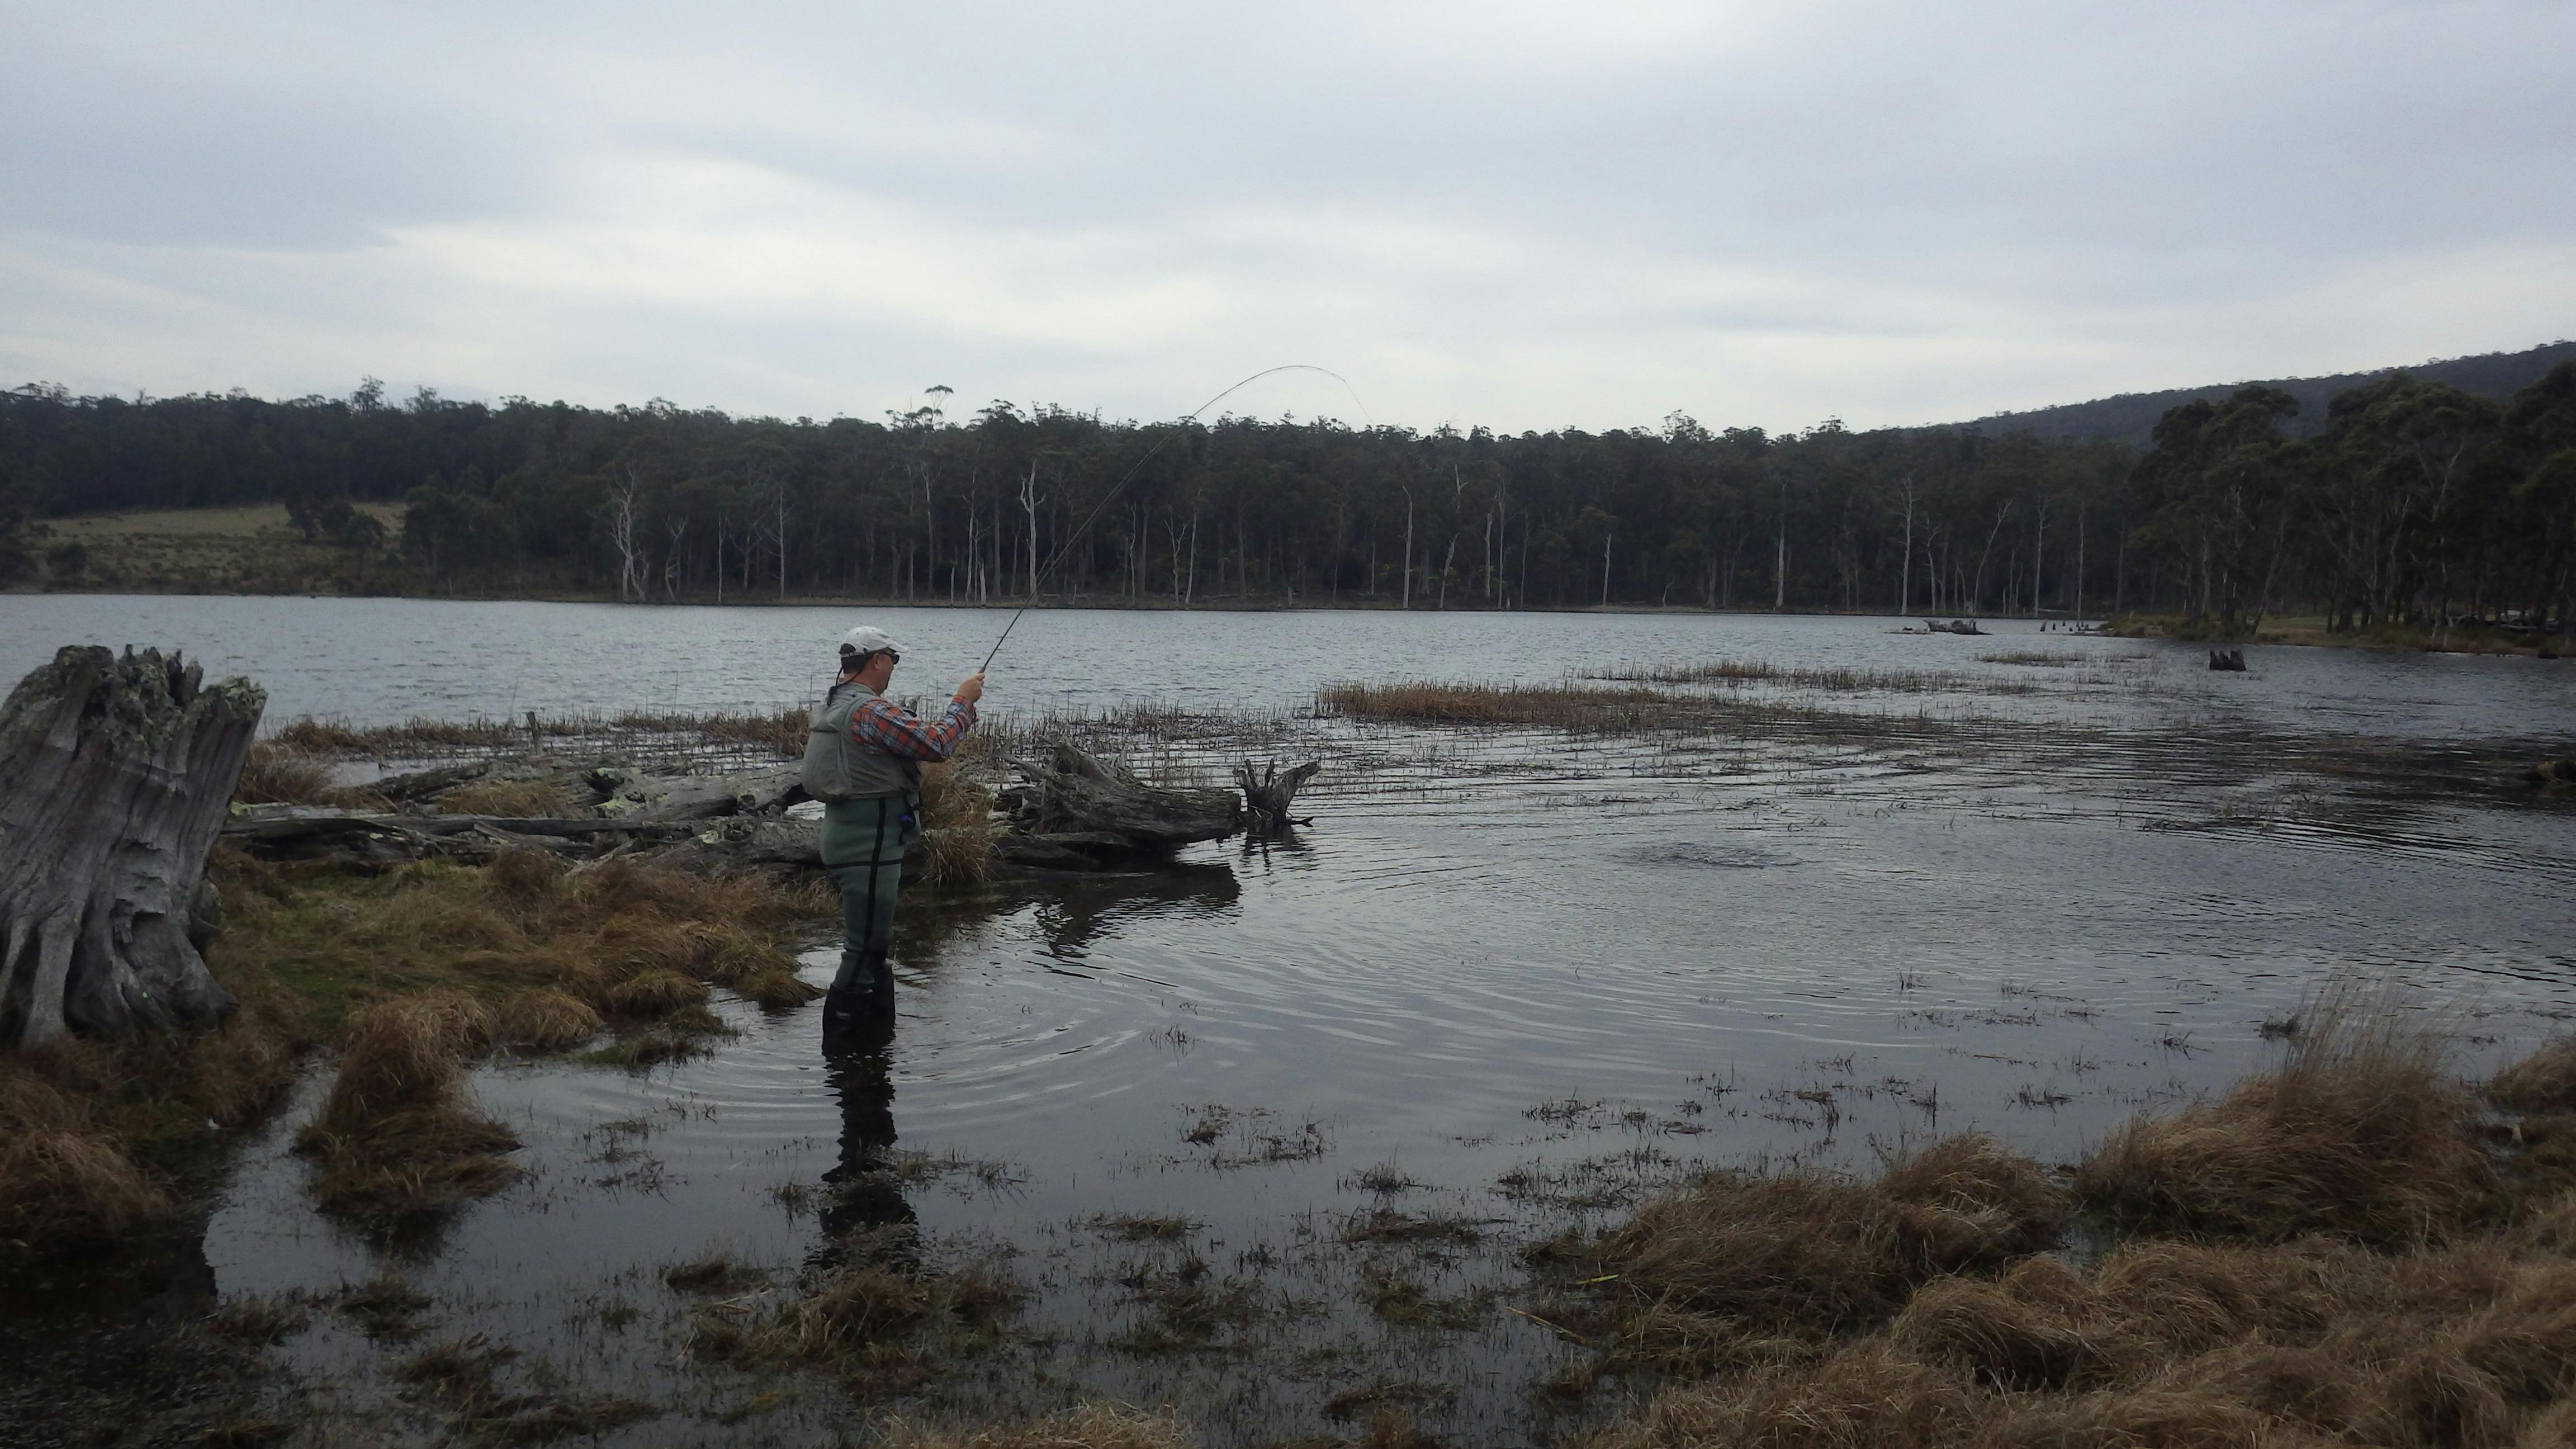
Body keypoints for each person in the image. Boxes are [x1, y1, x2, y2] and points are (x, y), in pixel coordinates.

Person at [800, 625, 983, 1051]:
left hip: (856, 841)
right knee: (863, 950)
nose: (895, 668)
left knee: (872, 946)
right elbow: (937, 745)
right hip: (868, 846)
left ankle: (877, 1044)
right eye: (893, 659)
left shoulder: (834, 702)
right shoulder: (870, 712)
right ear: (877, 660)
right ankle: (843, 1054)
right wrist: (964, 701)